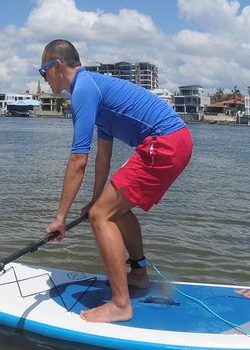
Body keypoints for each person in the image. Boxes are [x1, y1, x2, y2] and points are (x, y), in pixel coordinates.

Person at [40, 40, 193, 323]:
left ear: (57, 66)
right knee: (113, 210)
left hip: (164, 143)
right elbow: (103, 157)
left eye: (43, 72)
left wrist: (60, 217)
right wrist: (95, 199)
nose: (44, 79)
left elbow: (78, 160)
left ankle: (121, 304)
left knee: (101, 218)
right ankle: (138, 275)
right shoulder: (95, 90)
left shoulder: (83, 90)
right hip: (176, 141)